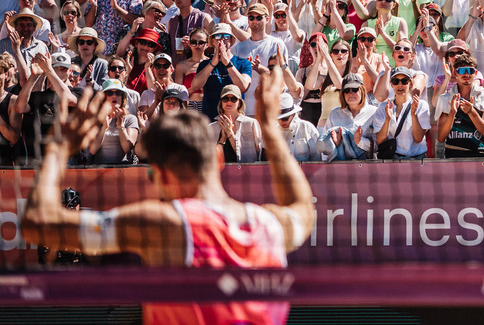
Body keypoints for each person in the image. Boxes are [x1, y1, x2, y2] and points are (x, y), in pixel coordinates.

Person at [21, 67, 314, 325]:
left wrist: (58, 150)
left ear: (159, 174)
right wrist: (271, 132)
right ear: (217, 158)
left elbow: (37, 223)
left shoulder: (163, 226)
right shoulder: (270, 225)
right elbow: (303, 208)